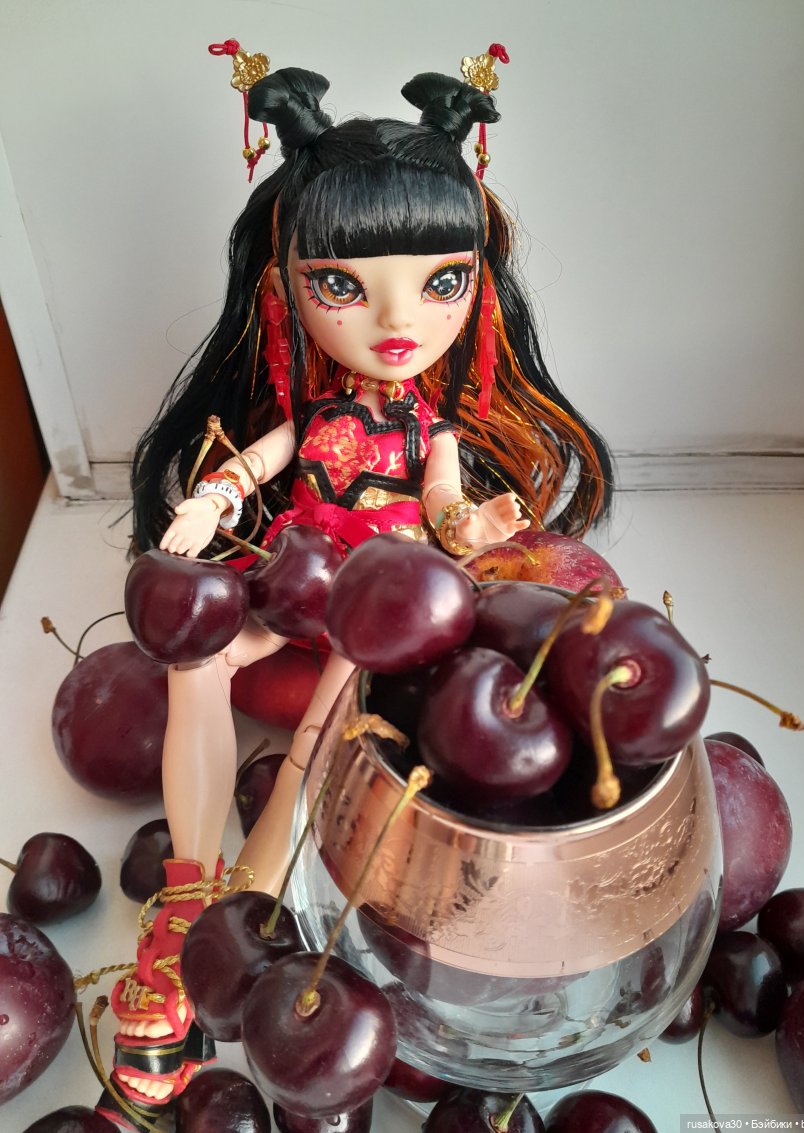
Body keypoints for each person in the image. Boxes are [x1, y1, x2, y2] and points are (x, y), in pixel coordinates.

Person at [97, 55, 613, 1129]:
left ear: (478, 286)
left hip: (376, 606)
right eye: (341, 285)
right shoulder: (317, 415)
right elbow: (255, 463)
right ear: (284, 285)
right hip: (293, 581)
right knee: (197, 659)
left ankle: (239, 917)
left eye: (441, 282)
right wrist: (209, 501)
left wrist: (479, 529)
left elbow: (445, 508)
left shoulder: (434, 431)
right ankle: (190, 886)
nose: (395, 320)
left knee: (328, 719)